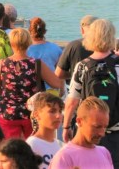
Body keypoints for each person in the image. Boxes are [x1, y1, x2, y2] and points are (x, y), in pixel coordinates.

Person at [0, 28, 64, 139]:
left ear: (11, 43)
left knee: (11, 151)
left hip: (8, 114)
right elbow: (56, 83)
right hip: (32, 114)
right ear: (29, 43)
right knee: (33, 149)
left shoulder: (2, 64)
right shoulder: (36, 64)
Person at [63, 18, 119, 165]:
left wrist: (66, 126)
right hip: (115, 133)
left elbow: (72, 101)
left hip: (88, 133)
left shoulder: (83, 66)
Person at [50, 97, 113, 168]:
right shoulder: (64, 157)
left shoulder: (105, 153)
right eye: (97, 127)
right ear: (79, 121)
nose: (102, 133)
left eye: (105, 127)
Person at [26, 92, 64, 169]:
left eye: (60, 111)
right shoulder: (32, 144)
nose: (58, 116)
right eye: (52, 111)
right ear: (36, 114)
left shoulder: (60, 146)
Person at [55, 14, 97, 84]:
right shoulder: (107, 46)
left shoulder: (74, 45)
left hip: (78, 88)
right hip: (103, 88)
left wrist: (74, 73)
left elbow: (58, 74)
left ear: (82, 30)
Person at [26, 18, 63, 90]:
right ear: (45, 32)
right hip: (51, 89)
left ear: (29, 31)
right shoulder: (55, 48)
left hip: (31, 90)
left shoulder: (25, 49)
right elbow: (60, 71)